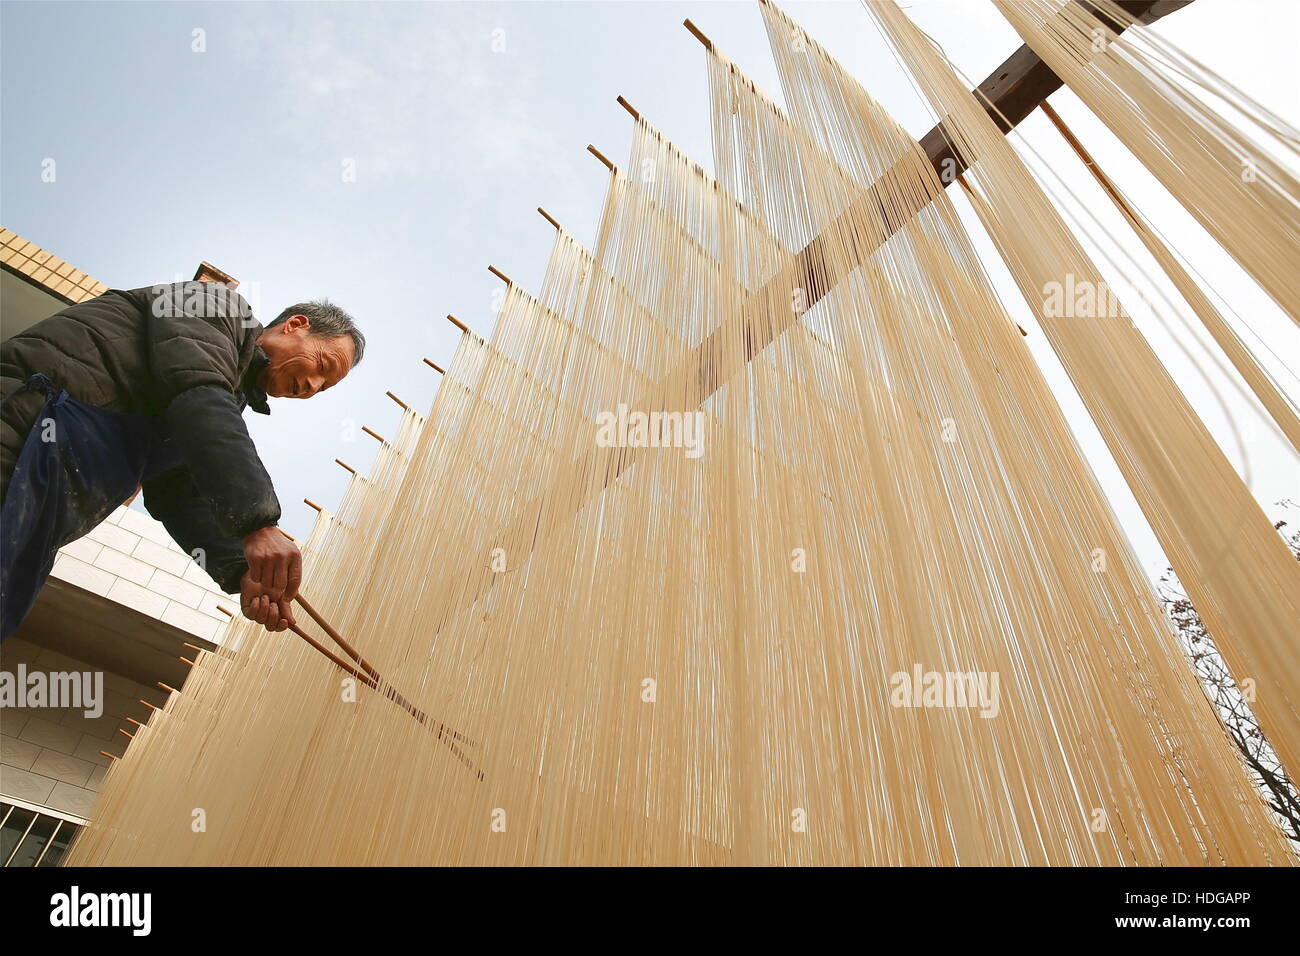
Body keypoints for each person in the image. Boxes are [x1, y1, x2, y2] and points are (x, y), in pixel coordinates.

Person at [0, 280, 363, 638]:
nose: (315, 386)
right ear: (296, 325)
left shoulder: (222, 398)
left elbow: (177, 494)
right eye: (322, 365)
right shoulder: (215, 305)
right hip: (19, 431)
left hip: (39, 507)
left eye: (325, 387)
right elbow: (198, 394)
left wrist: (242, 571)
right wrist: (259, 525)